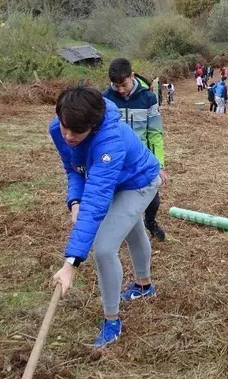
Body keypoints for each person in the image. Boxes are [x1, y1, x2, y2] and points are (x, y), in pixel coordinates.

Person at [49, 85, 162, 348]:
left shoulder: (110, 141)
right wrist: (75, 201)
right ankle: (144, 286)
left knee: (104, 248)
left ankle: (112, 320)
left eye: (77, 131)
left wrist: (70, 265)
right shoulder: (60, 128)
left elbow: (98, 198)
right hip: (117, 182)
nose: (68, 135)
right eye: (65, 127)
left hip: (140, 182)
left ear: (94, 125)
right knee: (132, 231)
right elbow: (75, 168)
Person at [103, 58, 169, 242]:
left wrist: (159, 164)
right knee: (118, 198)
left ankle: (150, 222)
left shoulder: (148, 98)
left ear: (132, 76)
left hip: (143, 159)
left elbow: (154, 134)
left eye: (123, 84)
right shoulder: (106, 97)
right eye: (116, 86)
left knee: (152, 198)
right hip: (117, 159)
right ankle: (123, 229)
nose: (121, 90)